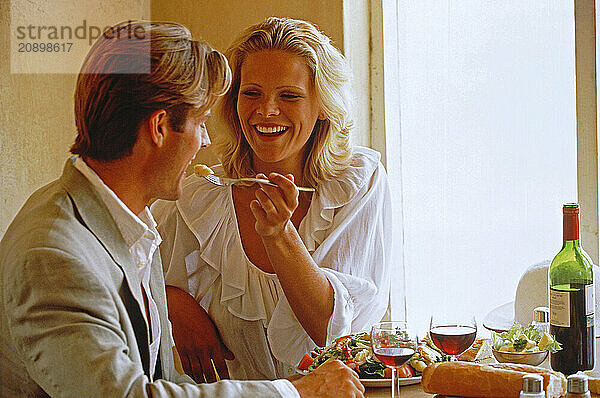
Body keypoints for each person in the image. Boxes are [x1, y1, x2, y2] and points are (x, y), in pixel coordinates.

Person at [0, 20, 364, 398]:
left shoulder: (132, 225)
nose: (206, 142)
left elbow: (165, 384)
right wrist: (295, 393)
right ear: (159, 128)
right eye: (201, 123)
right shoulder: (54, 253)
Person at [151, 16, 392, 383]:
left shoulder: (358, 183)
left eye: (289, 95)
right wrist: (175, 304)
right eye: (251, 93)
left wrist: (279, 236)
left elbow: (332, 334)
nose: (266, 111)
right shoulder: (201, 193)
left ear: (323, 105)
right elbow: (131, 274)